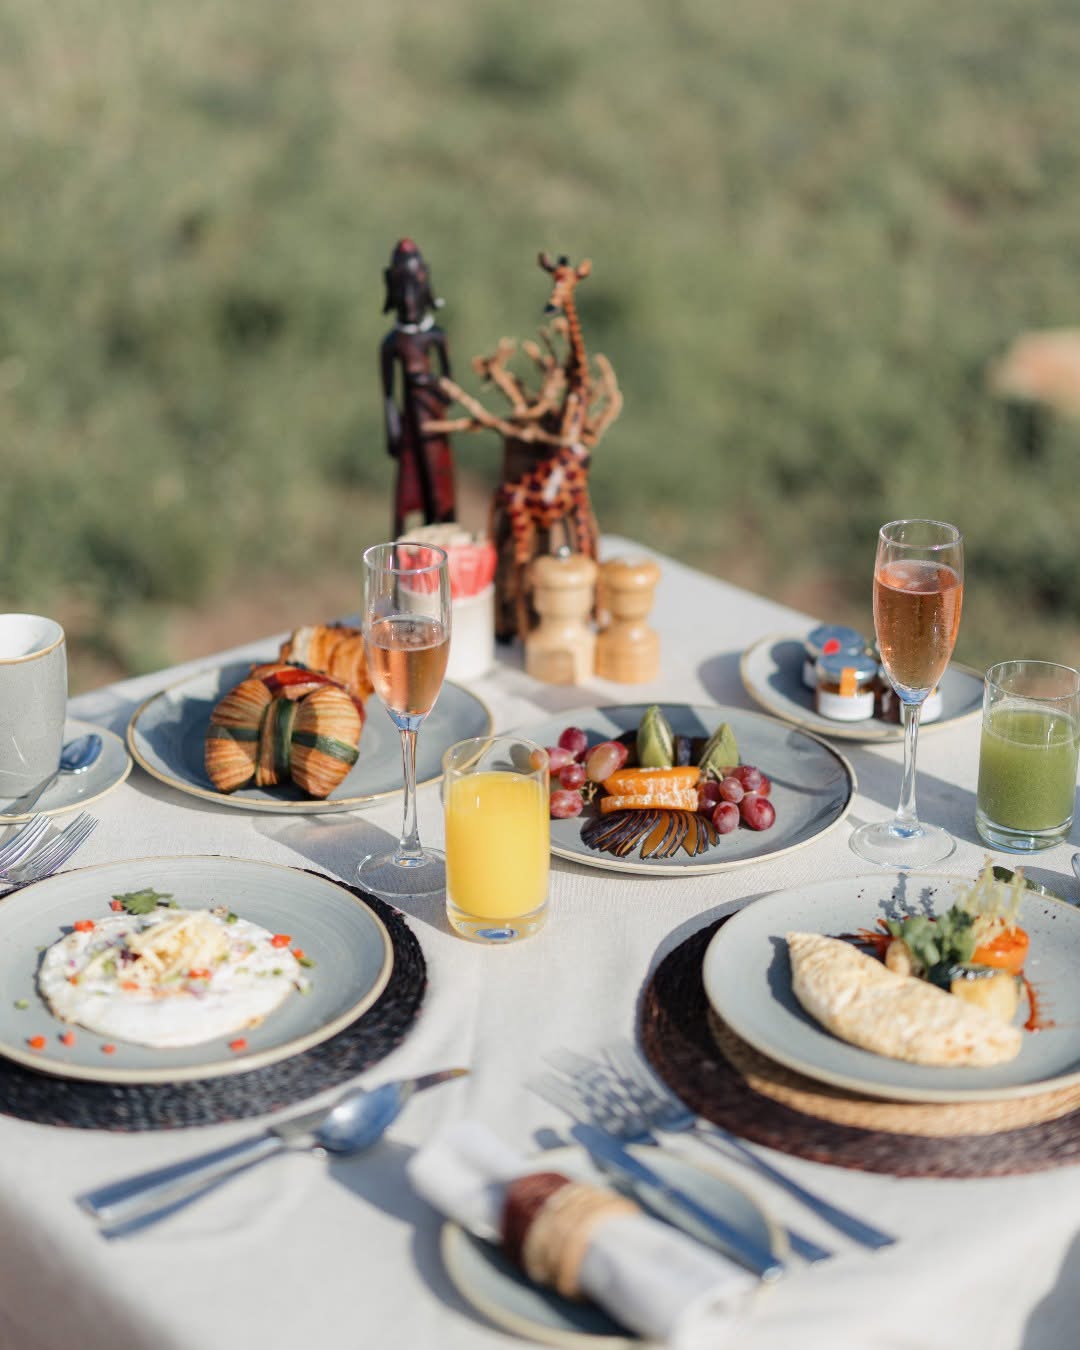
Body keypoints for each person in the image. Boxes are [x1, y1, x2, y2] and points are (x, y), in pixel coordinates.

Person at [380, 239, 457, 535]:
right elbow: (387, 393)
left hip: (434, 421)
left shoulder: (435, 336)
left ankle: (445, 540)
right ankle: (404, 553)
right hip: (410, 426)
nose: (409, 300)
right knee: (408, 490)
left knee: (440, 487)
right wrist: (392, 429)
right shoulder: (391, 343)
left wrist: (430, 382)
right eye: (402, 290)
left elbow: (450, 387)